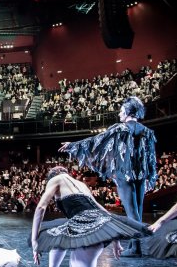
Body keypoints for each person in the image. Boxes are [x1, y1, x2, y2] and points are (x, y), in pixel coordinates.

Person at [30, 166, 175, 267]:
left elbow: (41, 208)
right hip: (99, 225)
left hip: (86, 229)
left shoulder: (56, 179)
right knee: (58, 232)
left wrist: (35, 241)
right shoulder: (81, 185)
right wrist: (115, 239)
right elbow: (103, 211)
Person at [59, 96, 156, 257]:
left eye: (121, 111)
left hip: (124, 174)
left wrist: (73, 146)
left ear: (127, 111)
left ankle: (136, 247)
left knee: (132, 212)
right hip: (141, 175)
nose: (119, 114)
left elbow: (97, 140)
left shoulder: (120, 128)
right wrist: (150, 176)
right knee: (137, 209)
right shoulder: (147, 131)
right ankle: (135, 244)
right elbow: (151, 157)